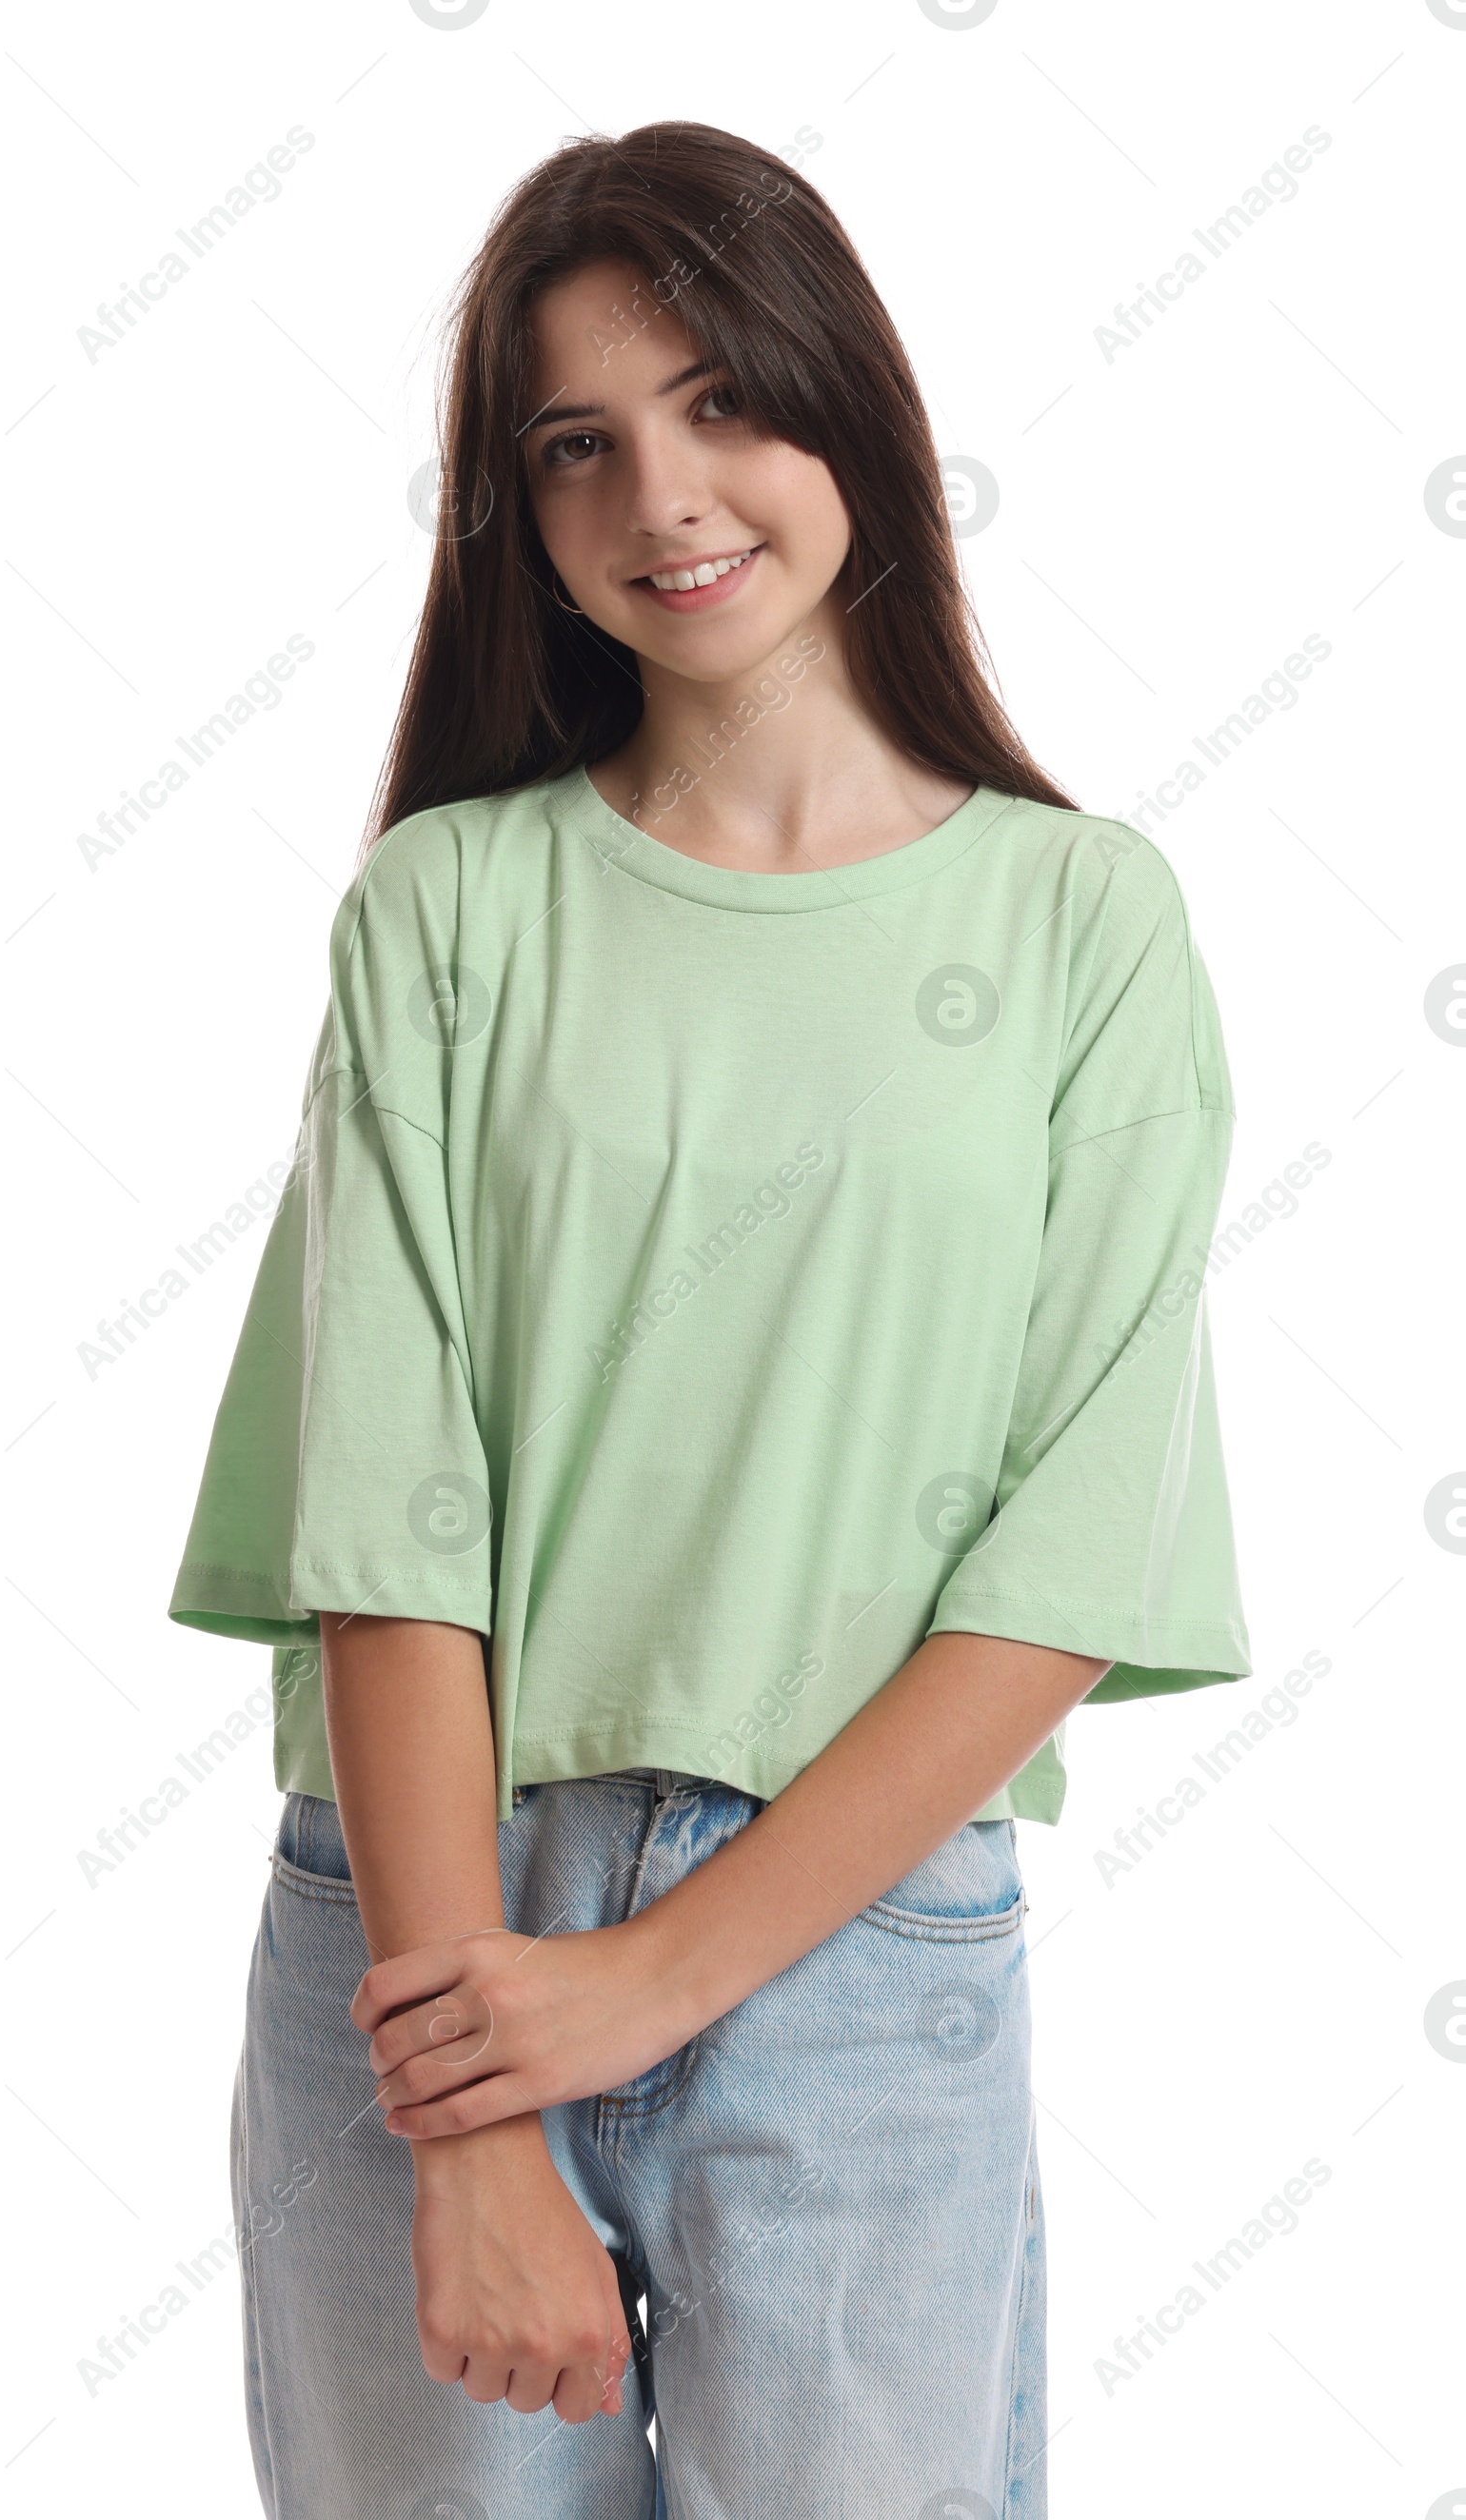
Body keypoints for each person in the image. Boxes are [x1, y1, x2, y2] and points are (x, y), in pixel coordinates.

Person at [169, 118, 1251, 2520]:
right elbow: (392, 1522)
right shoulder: (448, 915)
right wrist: (474, 2109)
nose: (663, 492)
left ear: (841, 402)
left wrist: (653, 1985)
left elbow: (1062, 1561)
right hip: (429, 1926)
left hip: (858, 1951)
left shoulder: (1089, 931)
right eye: (575, 443)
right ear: (517, 509)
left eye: (717, 399)